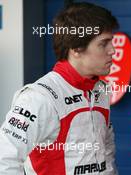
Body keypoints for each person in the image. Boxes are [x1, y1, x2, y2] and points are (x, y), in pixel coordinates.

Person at [0, 2, 119, 174]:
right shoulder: (39, 97)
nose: (113, 50)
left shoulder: (101, 90)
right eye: (103, 43)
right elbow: (4, 159)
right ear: (76, 48)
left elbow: (106, 150)